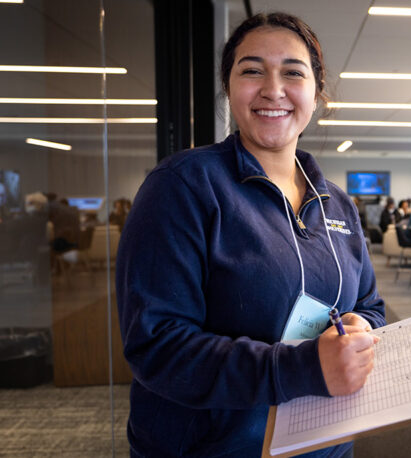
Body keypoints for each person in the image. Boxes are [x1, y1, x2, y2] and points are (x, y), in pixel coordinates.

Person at [116, 12, 385, 458]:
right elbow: (157, 345)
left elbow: (371, 304)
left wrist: (362, 327)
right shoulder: (183, 186)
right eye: (252, 70)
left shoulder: (336, 204)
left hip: (324, 445)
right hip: (214, 449)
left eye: (292, 73)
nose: (272, 89)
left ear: (317, 94)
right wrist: (303, 368)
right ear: (229, 89)